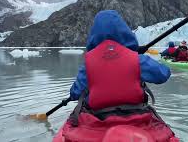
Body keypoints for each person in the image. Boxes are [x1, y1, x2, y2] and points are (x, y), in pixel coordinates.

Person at [65, 10, 177, 141]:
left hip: (97, 118)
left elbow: (75, 93)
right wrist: (136, 55)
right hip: (137, 116)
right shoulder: (137, 59)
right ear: (124, 32)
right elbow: (163, 74)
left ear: (94, 35)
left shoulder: (88, 64)